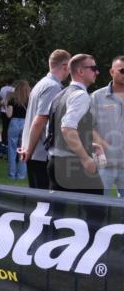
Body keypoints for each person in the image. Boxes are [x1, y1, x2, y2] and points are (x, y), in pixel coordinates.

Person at [46, 53, 103, 194]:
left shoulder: (60, 95)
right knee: (96, 211)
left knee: (57, 213)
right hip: (73, 165)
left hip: (55, 162)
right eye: (93, 68)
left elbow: (54, 130)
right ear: (81, 71)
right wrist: (85, 158)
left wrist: (88, 143)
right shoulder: (80, 95)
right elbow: (67, 128)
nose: (97, 72)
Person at [19, 49, 72, 189]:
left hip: (33, 150)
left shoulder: (41, 83)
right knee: (44, 204)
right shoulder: (53, 87)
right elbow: (39, 121)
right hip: (40, 153)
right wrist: (29, 151)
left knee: (39, 201)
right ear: (65, 66)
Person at [91, 55, 124, 197]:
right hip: (103, 164)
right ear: (111, 72)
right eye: (122, 70)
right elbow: (86, 125)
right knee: (97, 206)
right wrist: (99, 141)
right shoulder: (97, 96)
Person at [6, 79, 31, 180]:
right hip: (26, 123)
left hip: (14, 123)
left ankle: (12, 174)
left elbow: (9, 115)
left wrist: (5, 105)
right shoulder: (30, 99)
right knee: (23, 150)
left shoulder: (13, 99)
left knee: (12, 149)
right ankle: (21, 175)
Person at [0, 78, 14, 148]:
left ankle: (3, 141)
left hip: (3, 110)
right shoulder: (14, 89)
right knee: (10, 126)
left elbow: (1, 98)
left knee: (4, 127)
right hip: (10, 110)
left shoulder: (3, 89)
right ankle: (8, 141)